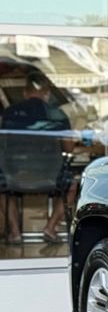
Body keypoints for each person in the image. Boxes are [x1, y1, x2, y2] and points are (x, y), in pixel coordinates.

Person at [0, 73, 76, 244]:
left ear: (25, 92)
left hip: (15, 176)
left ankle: (15, 232)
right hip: (50, 177)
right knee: (72, 185)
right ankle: (50, 227)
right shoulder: (57, 115)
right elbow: (69, 149)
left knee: (0, 186)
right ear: (47, 93)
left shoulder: (9, 114)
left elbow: (3, 146)